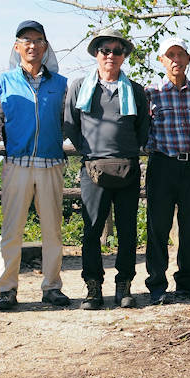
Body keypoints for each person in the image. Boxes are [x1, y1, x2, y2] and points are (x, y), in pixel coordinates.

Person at [64, 28, 150, 309]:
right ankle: (93, 287)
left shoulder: (135, 90)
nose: (111, 55)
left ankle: (124, 285)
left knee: (127, 231)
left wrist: (127, 149)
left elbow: (143, 129)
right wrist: (89, 151)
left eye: (117, 51)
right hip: (92, 169)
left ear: (124, 56)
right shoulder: (80, 87)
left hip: (128, 167)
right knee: (92, 230)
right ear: (96, 54)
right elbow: (70, 124)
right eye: (105, 50)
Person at [0, 20, 70, 310]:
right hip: (17, 163)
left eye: (38, 40)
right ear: (17, 47)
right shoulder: (2, 82)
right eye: (26, 41)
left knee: (52, 230)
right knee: (12, 230)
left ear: (45, 47)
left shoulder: (61, 84)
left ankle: (52, 286)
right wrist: (18, 144)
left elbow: (64, 124)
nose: (32, 46)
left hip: (51, 162)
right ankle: (7, 289)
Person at [144, 37, 190, 305]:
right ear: (162, 60)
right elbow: (144, 129)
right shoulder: (151, 93)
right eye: (170, 55)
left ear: (188, 58)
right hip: (162, 165)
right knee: (158, 227)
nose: (176, 60)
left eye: (180, 54)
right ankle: (157, 283)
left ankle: (187, 279)